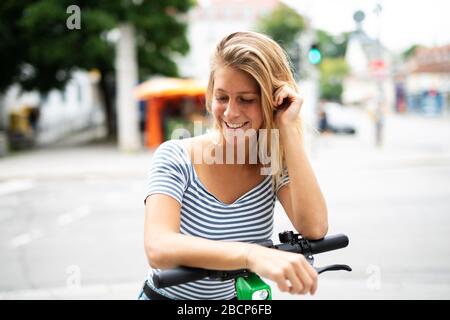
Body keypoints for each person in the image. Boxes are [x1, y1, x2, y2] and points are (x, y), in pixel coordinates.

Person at [138, 31, 328, 300]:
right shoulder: (175, 156)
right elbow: (158, 247)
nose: (230, 113)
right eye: (222, 97)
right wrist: (250, 254)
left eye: (247, 100)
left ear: (272, 101)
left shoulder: (272, 162)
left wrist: (287, 128)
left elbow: (315, 228)